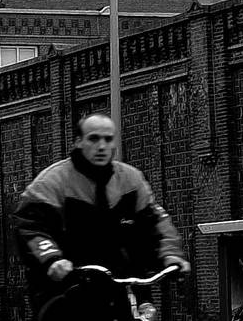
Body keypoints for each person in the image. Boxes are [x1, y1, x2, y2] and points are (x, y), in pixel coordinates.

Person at [12, 113, 191, 319]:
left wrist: (171, 255)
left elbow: (157, 222)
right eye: (94, 138)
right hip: (64, 285)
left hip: (116, 284)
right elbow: (31, 226)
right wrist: (51, 259)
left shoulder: (131, 179)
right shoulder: (53, 182)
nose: (102, 146)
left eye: (108, 139)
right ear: (78, 142)